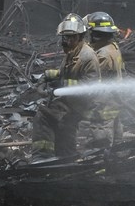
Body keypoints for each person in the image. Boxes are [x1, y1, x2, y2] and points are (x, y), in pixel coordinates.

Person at [30, 13, 101, 159]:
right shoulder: (72, 52)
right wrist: (48, 75)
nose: (67, 41)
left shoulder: (87, 56)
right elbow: (64, 74)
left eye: (71, 37)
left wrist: (61, 86)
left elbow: (90, 87)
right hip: (67, 103)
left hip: (79, 105)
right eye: (65, 37)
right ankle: (65, 159)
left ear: (80, 37)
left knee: (43, 117)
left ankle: (42, 157)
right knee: (64, 132)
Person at [84, 11, 125, 147]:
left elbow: (92, 78)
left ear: (95, 35)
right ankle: (116, 161)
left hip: (103, 102)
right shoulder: (113, 48)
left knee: (100, 136)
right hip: (114, 99)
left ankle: (100, 166)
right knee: (116, 134)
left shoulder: (103, 54)